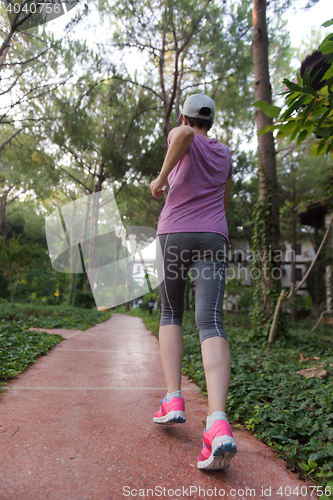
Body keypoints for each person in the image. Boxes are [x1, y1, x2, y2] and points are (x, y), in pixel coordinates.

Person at [149, 94, 237, 471]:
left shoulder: (181, 131)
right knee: (211, 322)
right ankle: (217, 424)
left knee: (171, 312)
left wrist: (161, 178)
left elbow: (183, 135)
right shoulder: (225, 153)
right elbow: (225, 197)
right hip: (213, 236)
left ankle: (173, 399)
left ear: (186, 115)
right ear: (213, 121)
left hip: (174, 233)